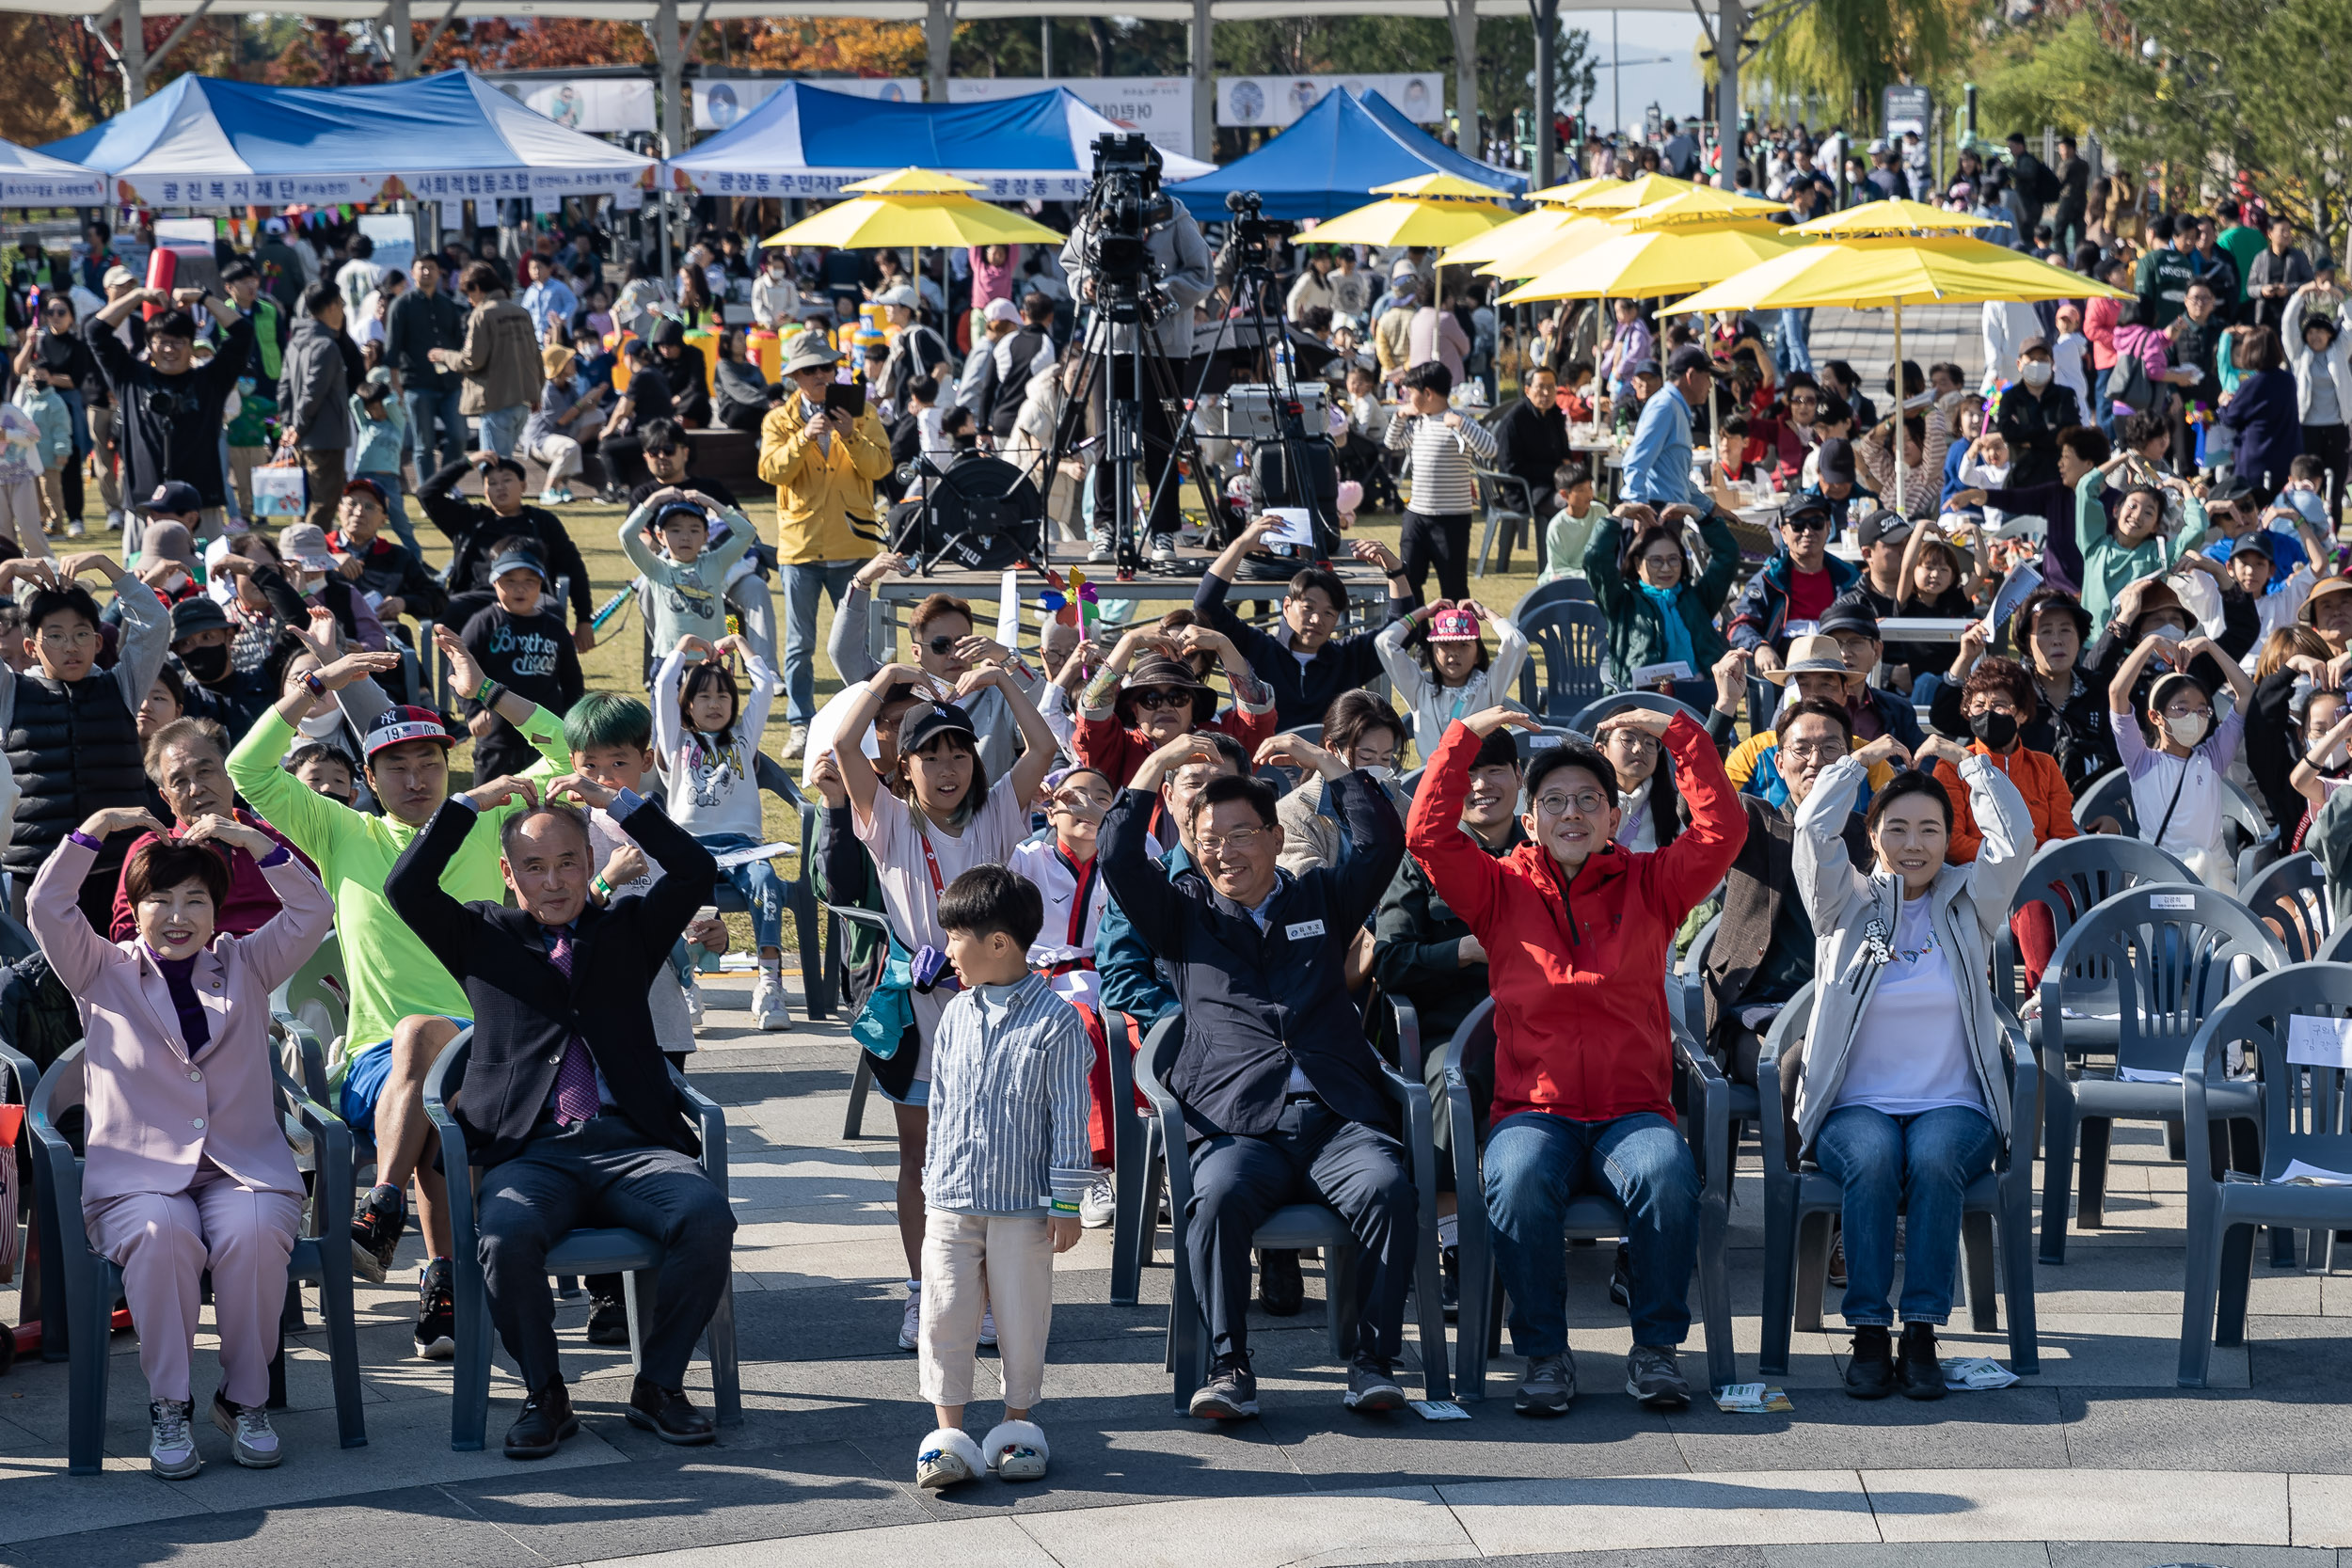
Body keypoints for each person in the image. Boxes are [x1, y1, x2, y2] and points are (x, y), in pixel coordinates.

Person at [226, 628, 564, 1355]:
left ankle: (390, 1224)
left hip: (494, 1051)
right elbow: (244, 768)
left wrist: (488, 694)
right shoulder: (340, 831)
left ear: (451, 768)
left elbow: (568, 752)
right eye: (397, 767)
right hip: (378, 1061)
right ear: (369, 780)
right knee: (418, 1042)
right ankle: (432, 1263)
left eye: (430, 763)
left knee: (440, 1074)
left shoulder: (488, 821)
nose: (416, 779)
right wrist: (322, 683)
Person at [1406, 704, 1744, 1416]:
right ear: (1529, 820)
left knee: (1666, 1173)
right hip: (1534, 1111)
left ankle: (1655, 1348)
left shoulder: (1653, 884)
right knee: (1517, 1176)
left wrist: (1677, 731)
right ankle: (1544, 1354)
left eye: (1589, 800)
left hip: (1633, 1110)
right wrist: (1463, 739)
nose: (1572, 812)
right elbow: (1428, 835)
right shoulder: (1499, 889)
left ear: (1614, 817)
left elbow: (1722, 830)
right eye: (1554, 800)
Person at [387, 767, 730, 1457]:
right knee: (505, 1236)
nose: (553, 881)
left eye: (568, 862)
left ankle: (658, 1383)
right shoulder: (483, 935)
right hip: (530, 1151)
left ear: (591, 864)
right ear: (512, 876)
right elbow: (406, 887)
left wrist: (621, 804)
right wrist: (468, 804)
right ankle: (546, 1392)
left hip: (630, 1142)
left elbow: (695, 869)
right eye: (535, 867)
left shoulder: (628, 929)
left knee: (706, 1214)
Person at [1104, 729, 1417, 1418]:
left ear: (1275, 837)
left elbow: (1381, 846)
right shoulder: (1181, 912)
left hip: (1337, 1119)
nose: (1224, 852)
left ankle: (1372, 1360)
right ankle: (1228, 1366)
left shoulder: (1320, 900)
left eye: (1241, 834)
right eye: (1208, 838)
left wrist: (1331, 768)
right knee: (1214, 1200)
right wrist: (1154, 766)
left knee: (1390, 1185)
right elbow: (1120, 861)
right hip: (1239, 1127)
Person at [33, 806, 332, 1476]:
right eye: (160, 898)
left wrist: (251, 839)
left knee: (254, 1230)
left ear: (216, 908)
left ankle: (244, 1401)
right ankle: (171, 1405)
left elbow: (314, 909)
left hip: (242, 1169)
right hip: (136, 1180)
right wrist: (97, 829)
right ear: (133, 908)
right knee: (163, 1234)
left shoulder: (246, 960)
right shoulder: (99, 969)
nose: (178, 914)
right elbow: (47, 904)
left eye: (195, 898)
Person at [1792, 740, 2030, 1397]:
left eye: (1930, 828)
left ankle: (1922, 1328)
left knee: (1931, 1157)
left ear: (1950, 835)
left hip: (1954, 1104)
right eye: (1896, 827)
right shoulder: (1841, 901)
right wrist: (1860, 759)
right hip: (1854, 1105)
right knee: (1870, 1155)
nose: (1914, 843)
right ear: (1870, 835)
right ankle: (1869, 1328)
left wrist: (1969, 759)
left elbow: (2014, 841)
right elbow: (1812, 828)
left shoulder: (1970, 902)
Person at [832, 670, 1058, 1354]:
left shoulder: (996, 813)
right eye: (929, 754)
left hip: (996, 1008)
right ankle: (921, 1288)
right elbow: (844, 745)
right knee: (920, 1153)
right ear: (905, 766)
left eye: (959, 752)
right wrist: (887, 679)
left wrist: (1003, 677)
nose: (947, 767)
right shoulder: (891, 820)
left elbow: (1044, 749)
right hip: (918, 1004)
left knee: (994, 1151)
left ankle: (983, 1292)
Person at [910, 864, 1090, 1490]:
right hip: (953, 1200)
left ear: (998, 943)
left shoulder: (1057, 1022)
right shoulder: (957, 1012)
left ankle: (1016, 1425)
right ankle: (948, 1435)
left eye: (956, 935)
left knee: (1021, 1316)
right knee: (945, 1313)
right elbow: (942, 1104)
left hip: (1023, 1205)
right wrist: (934, 1181)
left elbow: (1072, 1116)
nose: (947, 949)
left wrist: (1067, 1201)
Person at [1701, 687, 1870, 1087]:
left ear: (1850, 761)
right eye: (1802, 749)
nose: (1815, 762)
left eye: (1831, 749)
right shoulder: (1752, 823)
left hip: (1847, 1007)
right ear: (1779, 762)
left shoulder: (1870, 835)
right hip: (1759, 1012)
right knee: (1796, 1066)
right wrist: (1724, 709)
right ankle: (1800, 1156)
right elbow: (1697, 799)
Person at [1058, 151, 1215, 564]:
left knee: (1162, 439)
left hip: (1161, 342)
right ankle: (1106, 530)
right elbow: (1071, 263)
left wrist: (1164, 293)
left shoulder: (1174, 216)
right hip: (1108, 341)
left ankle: (1163, 533)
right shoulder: (1095, 215)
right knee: (1109, 439)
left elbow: (1203, 274)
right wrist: (1087, 284)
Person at [3, 555, 172, 928]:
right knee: (38, 985)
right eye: (56, 636)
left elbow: (155, 624)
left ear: (98, 642)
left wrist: (107, 566)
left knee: (123, 978)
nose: (70, 647)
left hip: (119, 866)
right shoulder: (10, 692)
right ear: (32, 647)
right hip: (38, 869)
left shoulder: (121, 686)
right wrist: (4, 575)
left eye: (81, 634)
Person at [759, 329, 892, 761]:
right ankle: (800, 725)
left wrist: (851, 434)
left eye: (827, 367)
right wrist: (803, 436)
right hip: (800, 549)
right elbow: (770, 471)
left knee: (861, 645)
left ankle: (871, 722)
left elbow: (880, 466)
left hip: (855, 546)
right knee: (799, 644)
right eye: (811, 369)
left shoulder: (864, 412)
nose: (821, 375)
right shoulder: (779, 420)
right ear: (795, 376)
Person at [650, 634, 788, 1030]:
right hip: (690, 848)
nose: (714, 704)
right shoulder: (676, 741)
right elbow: (662, 686)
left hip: (744, 848)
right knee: (688, 901)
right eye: (704, 697)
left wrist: (741, 644)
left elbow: (763, 685)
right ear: (688, 705)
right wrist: (683, 646)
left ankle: (768, 983)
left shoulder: (744, 740)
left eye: (723, 697)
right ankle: (688, 983)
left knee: (767, 882)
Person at [1193, 514, 1414, 731]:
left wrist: (1395, 569)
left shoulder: (1348, 658)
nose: (1317, 619)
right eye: (1308, 608)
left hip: (1329, 764)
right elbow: (1205, 606)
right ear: (1287, 606)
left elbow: (1402, 631)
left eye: (1329, 613)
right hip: (1259, 764)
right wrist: (1241, 544)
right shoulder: (1254, 648)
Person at [108, 716, 307, 941]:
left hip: (289, 964)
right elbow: (126, 934)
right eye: (179, 781)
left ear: (229, 775)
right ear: (166, 799)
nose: (195, 789)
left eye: (204, 772)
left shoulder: (277, 839)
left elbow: (321, 906)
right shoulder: (152, 851)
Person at [85, 286, 254, 541]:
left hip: (201, 506)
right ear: (150, 346)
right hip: (144, 503)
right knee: (141, 579)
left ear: (191, 345)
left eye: (178, 342)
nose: (169, 349)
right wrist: (137, 296)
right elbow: (95, 331)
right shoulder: (130, 378)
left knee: (203, 578)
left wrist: (203, 298)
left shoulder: (211, 380)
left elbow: (242, 332)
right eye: (161, 341)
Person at [2107, 635, 2254, 887]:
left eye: (2201, 710)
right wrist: (2151, 643)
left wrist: (2210, 646)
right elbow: (2117, 693)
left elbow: (2247, 693)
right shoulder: (2142, 761)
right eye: (2182, 709)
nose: (2194, 716)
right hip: (2158, 880)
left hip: (2214, 883)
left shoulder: (2212, 759)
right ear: (2155, 717)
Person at [420, 452, 596, 646]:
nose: (500, 487)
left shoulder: (543, 522)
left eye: (507, 480)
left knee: (552, 612)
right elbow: (427, 495)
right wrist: (467, 463)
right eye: (492, 483)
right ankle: (461, 672)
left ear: (523, 486)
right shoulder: (470, 519)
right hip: (480, 596)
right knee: (446, 611)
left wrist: (584, 620)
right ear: (485, 492)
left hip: (532, 595)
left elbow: (574, 567)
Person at [1072, 631, 1275, 785]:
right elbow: (1092, 711)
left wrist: (1224, 644)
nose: (1165, 707)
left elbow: (1256, 711)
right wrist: (1128, 641)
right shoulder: (1117, 749)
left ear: (1193, 706)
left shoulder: (1219, 746)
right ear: (1134, 709)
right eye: (1150, 699)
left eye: (1178, 697)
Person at [1929, 656, 2075, 862]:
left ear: (2022, 714)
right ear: (1967, 711)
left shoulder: (2045, 767)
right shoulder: (1950, 767)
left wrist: (2038, 863)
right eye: (1979, 705)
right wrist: (2011, 860)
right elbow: (1952, 842)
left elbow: (2065, 834)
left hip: (2040, 876)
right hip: (1977, 878)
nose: (1988, 713)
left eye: (1999, 705)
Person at [1586, 503, 1742, 692]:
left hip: (1699, 699)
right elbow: (1595, 558)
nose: (1666, 568)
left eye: (1673, 559)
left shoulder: (1697, 599)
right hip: (1643, 703)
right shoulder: (1622, 602)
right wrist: (1618, 516)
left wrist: (1699, 515)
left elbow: (1728, 555)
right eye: (1656, 560)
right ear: (1637, 563)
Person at [461, 549, 584, 784]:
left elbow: (572, 682)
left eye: (530, 581)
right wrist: (473, 711)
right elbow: (460, 671)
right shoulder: (485, 623)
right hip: (498, 739)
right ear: (494, 583)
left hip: (545, 738)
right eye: (510, 581)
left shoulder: (555, 628)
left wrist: (572, 722)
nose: (520, 588)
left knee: (545, 804)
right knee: (492, 807)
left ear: (541, 585)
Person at [1380, 361, 1498, 602]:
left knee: (1453, 587)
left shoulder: (1459, 421)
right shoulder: (1419, 423)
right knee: (1408, 579)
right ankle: (1419, 637)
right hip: (1417, 515)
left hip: (1452, 519)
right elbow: (1391, 444)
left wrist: (1462, 424)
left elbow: (1490, 449)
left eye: (1410, 393)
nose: (1407, 398)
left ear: (1427, 393)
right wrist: (1401, 416)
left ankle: (1456, 638)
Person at [1375, 598, 1529, 759]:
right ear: (1432, 653)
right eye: (1445, 644)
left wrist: (1485, 613)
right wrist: (1422, 613)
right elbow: (1384, 643)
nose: (1454, 652)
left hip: (1474, 781)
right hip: (1429, 781)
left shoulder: (1488, 688)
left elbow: (1517, 643)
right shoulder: (1419, 689)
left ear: (1478, 655)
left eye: (1463, 645)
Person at [1726, 496, 1863, 672]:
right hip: (1784, 662)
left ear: (1829, 528)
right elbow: (1740, 625)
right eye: (1798, 525)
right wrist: (1760, 647)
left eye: (1816, 523)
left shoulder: (1849, 577)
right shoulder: (1768, 578)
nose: (1807, 532)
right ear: (1783, 533)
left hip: (1838, 659)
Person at [619, 488, 758, 657]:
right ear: (660, 536)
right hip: (669, 660)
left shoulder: (715, 563)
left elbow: (747, 532)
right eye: (675, 530)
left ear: (706, 536)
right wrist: (654, 500)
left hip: (709, 661)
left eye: (694, 530)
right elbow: (626, 535)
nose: (685, 537)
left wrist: (712, 503)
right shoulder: (656, 568)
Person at [431, 261, 542, 460]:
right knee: (506, 465)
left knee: (494, 467)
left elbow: (472, 360)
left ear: (477, 288)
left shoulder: (483, 314)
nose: (469, 300)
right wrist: (537, 393)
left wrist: (443, 356)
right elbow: (536, 357)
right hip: (523, 401)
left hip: (495, 401)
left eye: (469, 293)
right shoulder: (521, 312)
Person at [278, 281, 358, 530]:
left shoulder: (295, 342)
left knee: (302, 503)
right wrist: (298, 426)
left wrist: (289, 425)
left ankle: (295, 554)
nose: (343, 312)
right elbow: (313, 393)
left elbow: (284, 388)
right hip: (325, 438)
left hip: (300, 437)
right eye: (342, 305)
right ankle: (308, 559)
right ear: (332, 306)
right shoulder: (326, 345)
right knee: (324, 504)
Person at [387, 254, 469, 477]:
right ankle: (427, 494)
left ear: (439, 272)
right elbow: (392, 349)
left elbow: (459, 345)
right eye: (421, 268)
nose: (426, 272)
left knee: (460, 436)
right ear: (412, 273)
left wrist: (463, 377)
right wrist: (396, 384)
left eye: (431, 268)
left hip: (450, 383)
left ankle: (445, 487)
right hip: (417, 383)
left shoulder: (448, 305)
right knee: (424, 445)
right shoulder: (401, 305)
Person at [1620, 345, 1717, 515]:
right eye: (1708, 377)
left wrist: (1712, 507)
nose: (1710, 386)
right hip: (1655, 515)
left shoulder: (1674, 406)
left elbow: (1677, 479)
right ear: (1691, 375)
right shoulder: (1665, 406)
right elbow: (1634, 462)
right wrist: (1641, 511)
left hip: (1665, 513)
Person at [2283, 281, 2352, 517]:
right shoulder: (2299, 354)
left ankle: (2334, 546)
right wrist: (2301, 294)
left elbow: (2350, 324)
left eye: (2320, 331)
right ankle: (2308, 534)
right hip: (2307, 428)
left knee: (2335, 486)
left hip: (2336, 427)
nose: (2315, 336)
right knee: (2306, 486)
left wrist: (2339, 295)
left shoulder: (2341, 350)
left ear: (2330, 334)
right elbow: (2288, 325)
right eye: (2311, 332)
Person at [2218, 326, 2303, 502]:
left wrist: (2224, 404)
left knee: (2256, 514)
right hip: (2287, 457)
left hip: (2257, 460)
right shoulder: (2288, 380)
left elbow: (2230, 418)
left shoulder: (2252, 384)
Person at [1537, 461, 1607, 587]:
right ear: (1564, 494)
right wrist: (1584, 575)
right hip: (1566, 577)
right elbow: (1557, 568)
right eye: (1581, 490)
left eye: (1590, 487)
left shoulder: (1600, 512)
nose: (1589, 495)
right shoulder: (1557, 526)